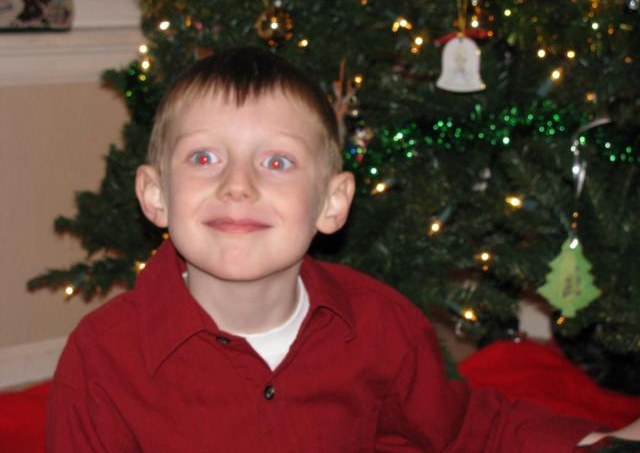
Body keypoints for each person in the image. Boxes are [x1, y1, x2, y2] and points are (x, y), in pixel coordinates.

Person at [46, 46, 640, 452]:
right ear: (155, 195)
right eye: (205, 157)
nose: (237, 184)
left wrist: (596, 440)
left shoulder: (382, 325)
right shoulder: (102, 360)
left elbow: (462, 429)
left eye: (277, 162)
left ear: (332, 203)